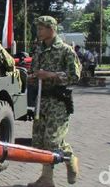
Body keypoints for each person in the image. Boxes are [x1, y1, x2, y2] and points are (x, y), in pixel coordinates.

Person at [27, 16, 81, 187]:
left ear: (51, 29)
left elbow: (75, 76)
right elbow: (35, 72)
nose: (38, 31)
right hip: (41, 101)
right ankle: (46, 179)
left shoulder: (66, 50)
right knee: (40, 141)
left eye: (41, 28)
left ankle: (70, 158)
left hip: (58, 101)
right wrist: (32, 77)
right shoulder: (38, 50)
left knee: (52, 141)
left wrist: (51, 75)